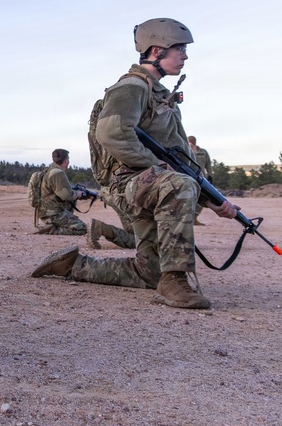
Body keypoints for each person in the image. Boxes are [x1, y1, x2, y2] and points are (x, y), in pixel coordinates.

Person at [31, 18, 238, 309]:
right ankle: (175, 280)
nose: (185, 55)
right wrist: (160, 169)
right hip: (127, 181)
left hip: (152, 183)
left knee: (151, 272)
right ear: (156, 51)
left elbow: (182, 160)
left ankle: (73, 266)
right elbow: (112, 133)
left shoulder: (162, 97)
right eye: (179, 48)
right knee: (178, 185)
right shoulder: (131, 87)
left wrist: (213, 199)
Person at [28, 149, 87, 235]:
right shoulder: (58, 173)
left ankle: (54, 226)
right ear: (66, 161)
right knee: (82, 228)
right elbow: (66, 195)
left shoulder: (50, 171)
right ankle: (53, 230)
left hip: (45, 212)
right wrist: (78, 194)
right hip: (53, 213)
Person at [187, 135, 214, 225]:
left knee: (204, 197)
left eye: (190, 143)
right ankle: (187, 218)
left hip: (202, 178)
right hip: (189, 177)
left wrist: (210, 175)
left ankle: (195, 217)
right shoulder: (186, 150)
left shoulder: (203, 152)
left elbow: (208, 164)